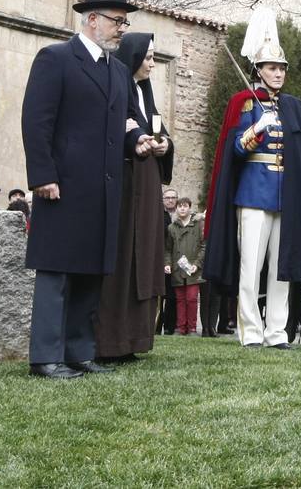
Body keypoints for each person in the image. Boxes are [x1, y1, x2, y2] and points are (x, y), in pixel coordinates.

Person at [21, 0, 135, 379]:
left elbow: (125, 123)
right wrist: (43, 175)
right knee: (56, 272)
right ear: (92, 20)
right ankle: (46, 357)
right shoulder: (56, 59)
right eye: (117, 21)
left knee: (90, 271)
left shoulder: (119, 72)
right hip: (63, 184)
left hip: (102, 188)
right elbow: (37, 122)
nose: (122, 28)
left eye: (124, 22)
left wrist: (141, 141)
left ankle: (79, 352)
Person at [203, 12, 301, 349]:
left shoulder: (290, 108)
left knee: (280, 270)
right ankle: (251, 331)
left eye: (282, 68)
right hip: (254, 194)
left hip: (285, 197)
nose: (279, 73)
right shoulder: (245, 105)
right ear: (258, 70)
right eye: (272, 67)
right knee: (251, 268)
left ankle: (277, 332)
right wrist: (256, 129)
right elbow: (236, 150)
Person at [94, 33, 171, 362]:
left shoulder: (146, 94)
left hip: (148, 185)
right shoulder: (118, 89)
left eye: (155, 56)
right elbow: (114, 130)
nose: (152, 63)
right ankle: (111, 340)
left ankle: (135, 339)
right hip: (126, 186)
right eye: (149, 56)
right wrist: (135, 136)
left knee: (145, 257)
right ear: (134, 56)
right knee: (125, 256)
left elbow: (156, 129)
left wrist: (166, 144)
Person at [165, 197, 206, 336]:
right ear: (176, 209)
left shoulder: (198, 225)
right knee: (180, 300)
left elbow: (203, 246)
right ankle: (180, 328)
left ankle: (192, 328)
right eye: (180, 206)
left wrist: (197, 264)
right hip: (177, 270)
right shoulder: (171, 228)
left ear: (190, 208)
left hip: (193, 270)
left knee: (192, 299)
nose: (182, 208)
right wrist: (167, 264)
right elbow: (168, 249)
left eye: (185, 206)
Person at [159, 190, 181, 334]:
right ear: (163, 199)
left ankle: (169, 327)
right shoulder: (159, 215)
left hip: (177, 260)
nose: (171, 200)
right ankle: (156, 327)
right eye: (168, 197)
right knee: (160, 295)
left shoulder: (182, 216)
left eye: (173, 197)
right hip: (161, 259)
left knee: (173, 295)